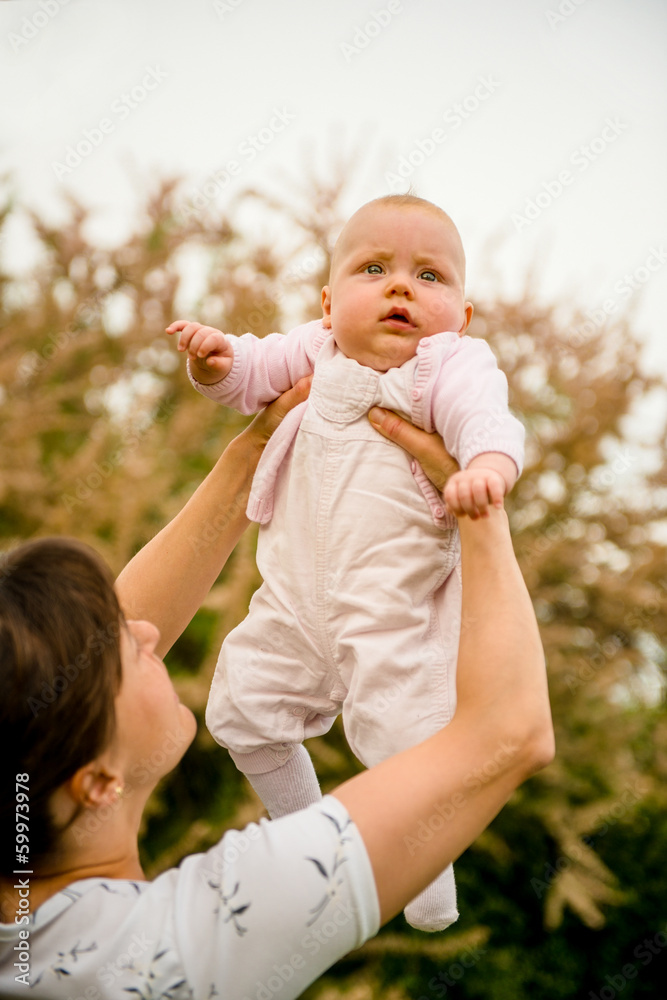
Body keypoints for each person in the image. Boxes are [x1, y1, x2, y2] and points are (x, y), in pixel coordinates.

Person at [0, 377, 553, 998]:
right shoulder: (190, 941)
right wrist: (477, 509)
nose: (148, 631)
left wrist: (255, 453)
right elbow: (510, 733)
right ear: (97, 780)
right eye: (128, 651)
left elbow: (48, 697)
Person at [166, 193, 525, 931]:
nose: (400, 286)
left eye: (430, 276)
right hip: (291, 601)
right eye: (374, 268)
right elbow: (249, 375)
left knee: (404, 742)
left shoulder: (447, 366)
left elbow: (484, 417)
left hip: (387, 606)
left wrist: (486, 466)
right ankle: (308, 839)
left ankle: (425, 883)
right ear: (328, 303)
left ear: (463, 313)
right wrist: (214, 360)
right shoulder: (315, 347)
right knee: (240, 710)